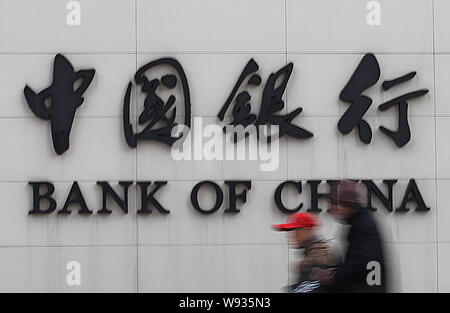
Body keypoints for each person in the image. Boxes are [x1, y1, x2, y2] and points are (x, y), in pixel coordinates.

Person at [312, 180, 388, 292]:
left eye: (333, 204)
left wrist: (332, 276)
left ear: (344, 205)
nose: (332, 210)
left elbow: (357, 267)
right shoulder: (361, 222)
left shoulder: (362, 227)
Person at [273, 212, 337, 293]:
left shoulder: (319, 256)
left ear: (306, 230)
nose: (292, 236)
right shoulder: (314, 253)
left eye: (295, 231)